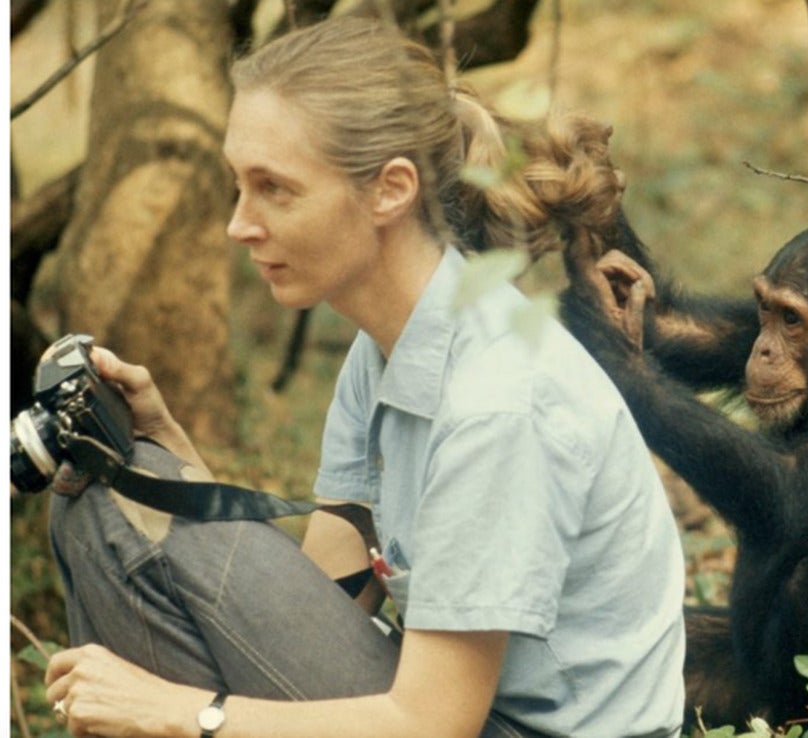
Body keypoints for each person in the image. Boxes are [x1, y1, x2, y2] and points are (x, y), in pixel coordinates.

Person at [41, 15, 686, 738]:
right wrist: (172, 451)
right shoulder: (386, 347)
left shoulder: (496, 401)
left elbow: (432, 722)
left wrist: (183, 713)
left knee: (114, 520)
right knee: (107, 488)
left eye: (274, 189)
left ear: (390, 190)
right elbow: (321, 605)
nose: (239, 224)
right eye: (237, 186)